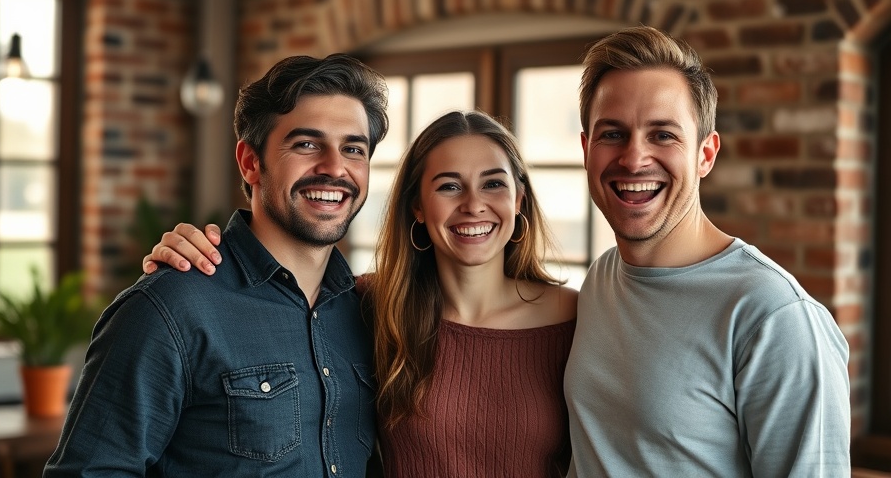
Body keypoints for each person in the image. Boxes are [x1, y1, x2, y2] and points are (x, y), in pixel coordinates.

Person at [142, 110, 578, 477]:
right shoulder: (365, 305)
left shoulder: (576, 318)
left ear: (520, 198)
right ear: (418, 207)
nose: (473, 204)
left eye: (494, 183)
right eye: (448, 185)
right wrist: (196, 257)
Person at [45, 53, 389, 476]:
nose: (335, 167)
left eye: (353, 149)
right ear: (250, 162)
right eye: (306, 144)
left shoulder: (369, 311)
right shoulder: (170, 307)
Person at [565, 25, 850, 476]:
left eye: (663, 135)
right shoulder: (602, 279)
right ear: (586, 150)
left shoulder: (775, 317)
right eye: (612, 134)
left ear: (706, 154)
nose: (634, 159)